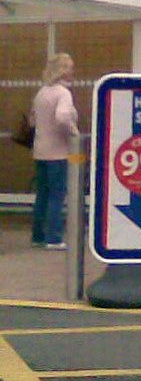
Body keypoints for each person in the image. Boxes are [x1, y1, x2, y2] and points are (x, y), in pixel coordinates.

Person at [30, 53, 79, 250]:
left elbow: (33, 121)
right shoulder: (63, 93)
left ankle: (38, 236)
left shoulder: (41, 93)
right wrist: (74, 133)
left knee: (42, 194)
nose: (73, 72)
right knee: (57, 196)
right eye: (70, 68)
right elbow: (62, 117)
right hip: (59, 152)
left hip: (40, 150)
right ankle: (54, 237)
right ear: (63, 71)